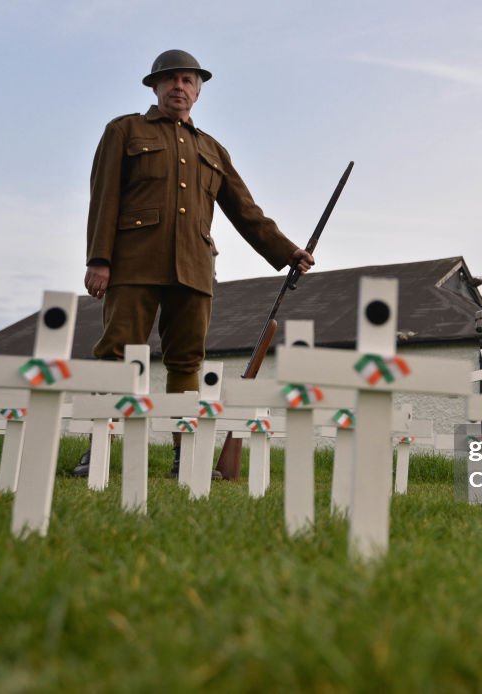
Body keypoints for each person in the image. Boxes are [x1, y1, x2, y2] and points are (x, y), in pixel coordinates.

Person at [73, 49, 314, 478]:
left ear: (198, 91)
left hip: (195, 269)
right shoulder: (124, 130)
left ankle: (187, 457)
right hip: (133, 265)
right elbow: (104, 198)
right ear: (155, 87)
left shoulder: (212, 149)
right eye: (170, 80)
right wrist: (99, 260)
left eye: (187, 80)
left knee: (186, 363)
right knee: (118, 355)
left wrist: (286, 251)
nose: (178, 87)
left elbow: (246, 211)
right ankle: (101, 450)